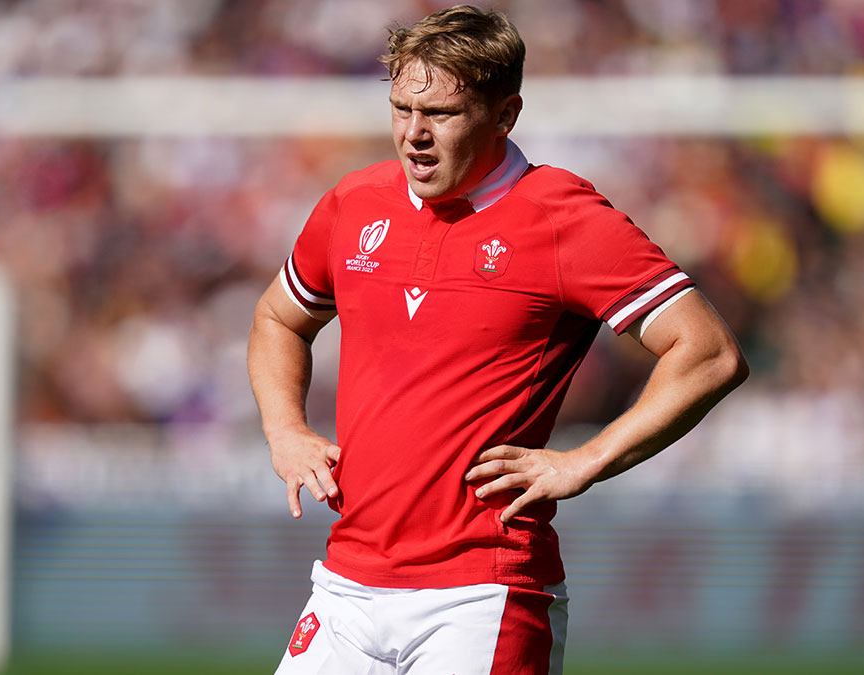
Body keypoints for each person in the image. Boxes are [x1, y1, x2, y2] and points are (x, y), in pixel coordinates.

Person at [247, 5, 748, 673]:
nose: (414, 135)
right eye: (401, 108)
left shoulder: (562, 216)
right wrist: (284, 428)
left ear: (505, 114)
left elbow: (709, 352)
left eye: (442, 115)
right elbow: (279, 318)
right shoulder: (354, 202)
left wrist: (585, 461)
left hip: (481, 593)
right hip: (345, 586)